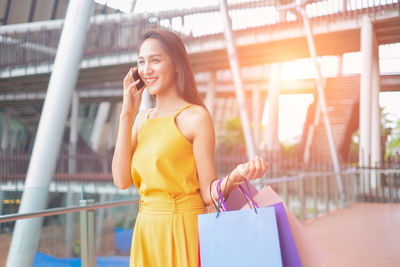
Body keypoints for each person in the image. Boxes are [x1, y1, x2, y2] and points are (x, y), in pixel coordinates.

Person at [111, 29, 269, 267]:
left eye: (155, 60)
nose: (147, 69)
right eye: (141, 62)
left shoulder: (195, 117)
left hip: (183, 228)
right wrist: (126, 113)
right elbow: (121, 180)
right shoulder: (140, 119)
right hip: (146, 230)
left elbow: (207, 193)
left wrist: (236, 176)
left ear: (176, 64)